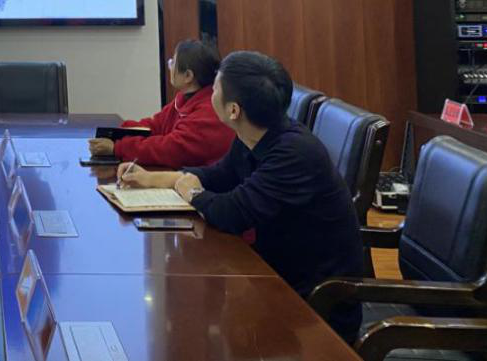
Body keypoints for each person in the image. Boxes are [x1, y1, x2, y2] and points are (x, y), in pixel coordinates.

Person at [118, 50, 364, 342]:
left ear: (233, 110)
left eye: (215, 89)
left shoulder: (294, 153)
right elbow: (221, 175)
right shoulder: (255, 134)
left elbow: (232, 213)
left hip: (315, 306)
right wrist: (153, 179)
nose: (210, 94)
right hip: (275, 277)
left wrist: (192, 192)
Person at [87, 39, 233, 168]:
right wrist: (117, 133)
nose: (170, 66)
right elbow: (155, 126)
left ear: (188, 76)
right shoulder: (185, 98)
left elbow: (170, 149)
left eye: (173, 62)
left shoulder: (210, 110)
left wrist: (118, 148)